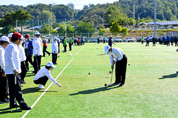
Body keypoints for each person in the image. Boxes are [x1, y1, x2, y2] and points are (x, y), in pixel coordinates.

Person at [5, 32, 31, 110]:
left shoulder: (13, 46)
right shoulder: (11, 46)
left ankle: (13, 103)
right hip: (13, 72)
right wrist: (14, 69)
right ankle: (22, 104)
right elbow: (9, 59)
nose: (21, 41)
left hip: (14, 71)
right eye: (20, 40)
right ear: (17, 39)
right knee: (17, 89)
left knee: (13, 89)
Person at [0, 36, 10, 103]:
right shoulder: (1, 49)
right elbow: (1, 61)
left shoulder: (2, 49)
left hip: (2, 68)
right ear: (5, 43)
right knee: (3, 84)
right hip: (1, 68)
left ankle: (4, 97)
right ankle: (3, 98)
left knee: (3, 84)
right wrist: (5, 70)